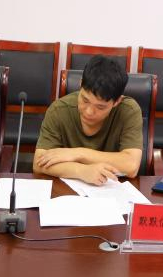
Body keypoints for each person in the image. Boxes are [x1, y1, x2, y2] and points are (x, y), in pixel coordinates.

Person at [33, 55, 142, 184]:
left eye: (100, 107)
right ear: (80, 84)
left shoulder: (128, 111)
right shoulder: (58, 110)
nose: (89, 112)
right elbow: (39, 164)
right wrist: (81, 171)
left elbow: (131, 166)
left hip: (112, 189)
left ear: (117, 101)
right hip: (67, 189)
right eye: (85, 100)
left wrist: (78, 153)